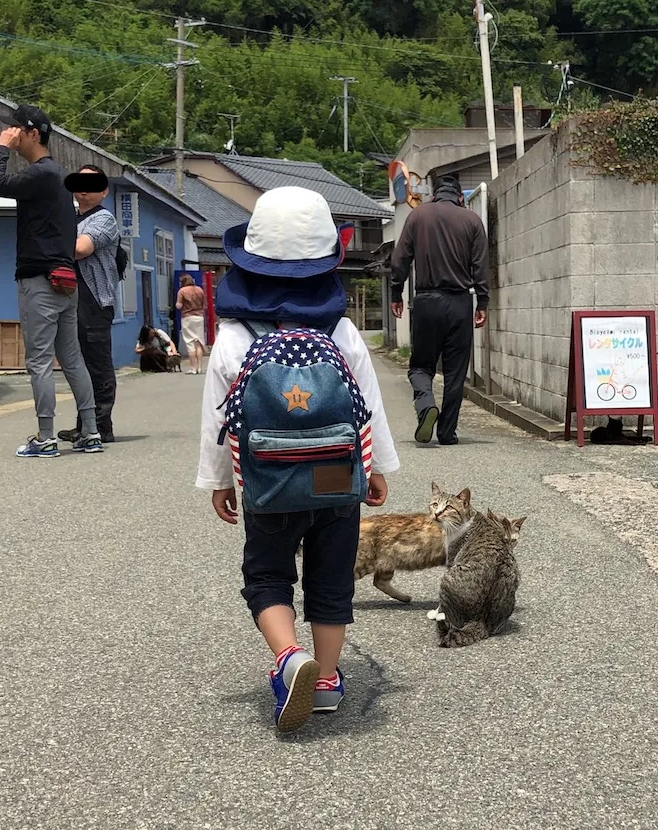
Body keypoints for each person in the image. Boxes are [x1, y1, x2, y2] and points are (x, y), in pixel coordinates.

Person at [196, 185, 398, 733]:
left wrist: (220, 480)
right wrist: (375, 468)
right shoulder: (342, 329)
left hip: (268, 478)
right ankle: (326, 679)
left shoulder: (233, 335)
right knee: (331, 579)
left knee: (267, 573)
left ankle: (289, 656)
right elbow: (368, 405)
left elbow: (219, 418)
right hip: (335, 475)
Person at [0, 104, 102, 458]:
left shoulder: (41, 173)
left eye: (16, 129)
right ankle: (90, 432)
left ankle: (46, 438)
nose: (11, 133)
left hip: (39, 280)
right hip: (65, 281)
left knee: (39, 360)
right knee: (72, 358)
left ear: (33, 134)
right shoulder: (59, 177)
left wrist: (2, 148)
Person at [389, 174, 489, 447]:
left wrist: (396, 293)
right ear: (460, 199)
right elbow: (480, 266)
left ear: (433, 196)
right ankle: (447, 433)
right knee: (456, 373)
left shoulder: (418, 216)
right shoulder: (472, 220)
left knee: (421, 366)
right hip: (460, 303)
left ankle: (426, 406)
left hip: (426, 302)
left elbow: (400, 259)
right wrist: (482, 302)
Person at [58, 166, 119, 443]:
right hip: (70, 298)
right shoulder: (70, 218)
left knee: (97, 364)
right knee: (78, 363)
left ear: (104, 191)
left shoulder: (104, 218)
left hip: (95, 300)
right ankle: (85, 424)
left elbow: (80, 249)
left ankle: (101, 426)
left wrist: (51, 244)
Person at [176, 273, 207, 374]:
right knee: (198, 342)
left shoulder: (182, 291)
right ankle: (200, 367)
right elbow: (204, 304)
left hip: (187, 318)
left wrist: (178, 304)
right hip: (199, 317)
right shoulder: (199, 290)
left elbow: (179, 306)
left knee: (190, 343)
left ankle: (193, 368)